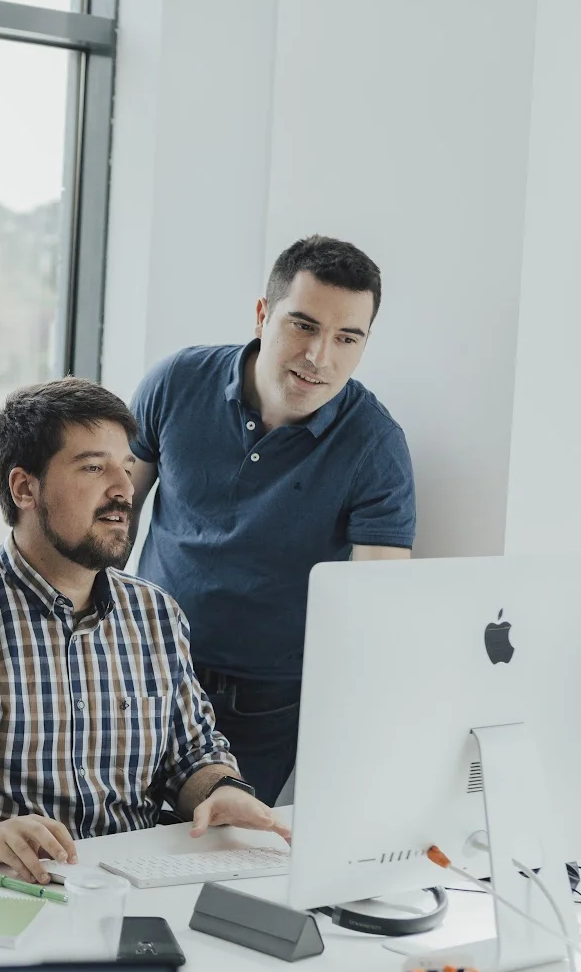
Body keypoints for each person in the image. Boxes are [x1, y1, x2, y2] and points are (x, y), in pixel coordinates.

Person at [0, 378, 290, 884]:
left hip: (130, 886)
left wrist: (221, 790)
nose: (124, 490)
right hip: (6, 891)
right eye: (94, 468)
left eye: (126, 468)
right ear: (25, 488)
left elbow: (192, 756)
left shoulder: (156, 614)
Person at [127, 236, 415, 806]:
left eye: (347, 338)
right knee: (107, 836)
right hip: (144, 671)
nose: (320, 357)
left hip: (262, 704)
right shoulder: (176, 382)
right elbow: (111, 518)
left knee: (217, 846)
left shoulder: (376, 446)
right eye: (303, 326)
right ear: (263, 315)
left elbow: (373, 613)